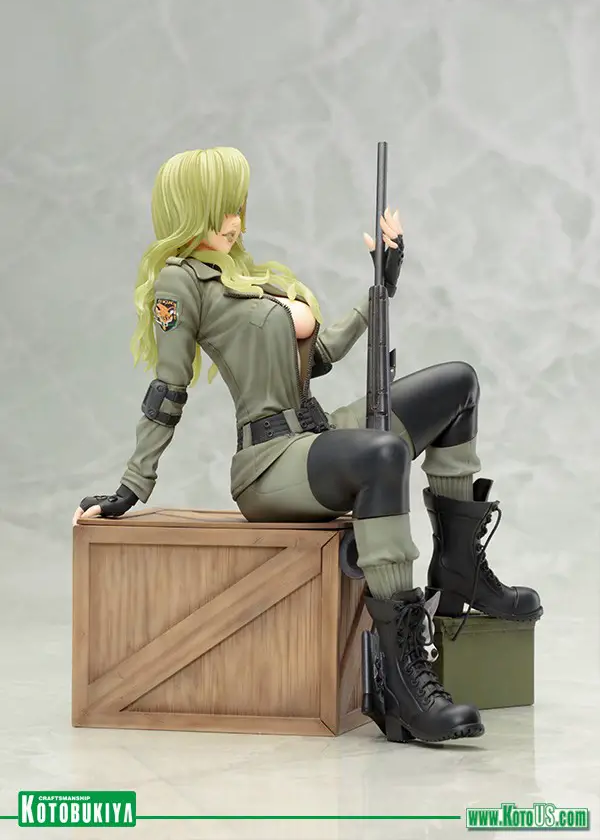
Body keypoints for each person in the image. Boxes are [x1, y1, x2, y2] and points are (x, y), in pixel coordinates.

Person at [73, 147, 543, 745]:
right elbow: (168, 390)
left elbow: (321, 354)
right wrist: (132, 486)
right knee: (382, 455)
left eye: (237, 206)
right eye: (220, 208)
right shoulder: (181, 283)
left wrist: (381, 286)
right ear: (190, 209)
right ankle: (403, 683)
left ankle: (460, 570)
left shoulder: (255, 280)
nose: (234, 220)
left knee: (458, 384)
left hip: (316, 434)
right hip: (270, 464)